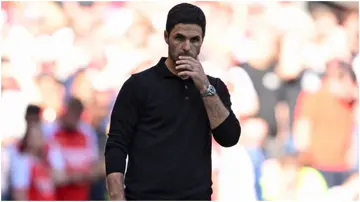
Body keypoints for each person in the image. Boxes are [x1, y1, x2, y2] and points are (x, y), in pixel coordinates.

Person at [105, 3, 241, 201]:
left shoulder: (214, 87)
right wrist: (117, 196)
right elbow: (117, 144)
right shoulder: (139, 85)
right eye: (179, 38)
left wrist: (204, 86)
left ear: (202, 41)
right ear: (166, 36)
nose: (187, 46)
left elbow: (229, 137)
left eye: (195, 39)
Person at [43, 97, 101, 200]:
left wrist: (72, 176)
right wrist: (77, 176)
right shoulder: (51, 131)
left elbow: (96, 169)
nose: (74, 118)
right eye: (72, 113)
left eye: (77, 114)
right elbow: (54, 176)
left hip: (82, 196)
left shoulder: (87, 132)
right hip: (56, 196)